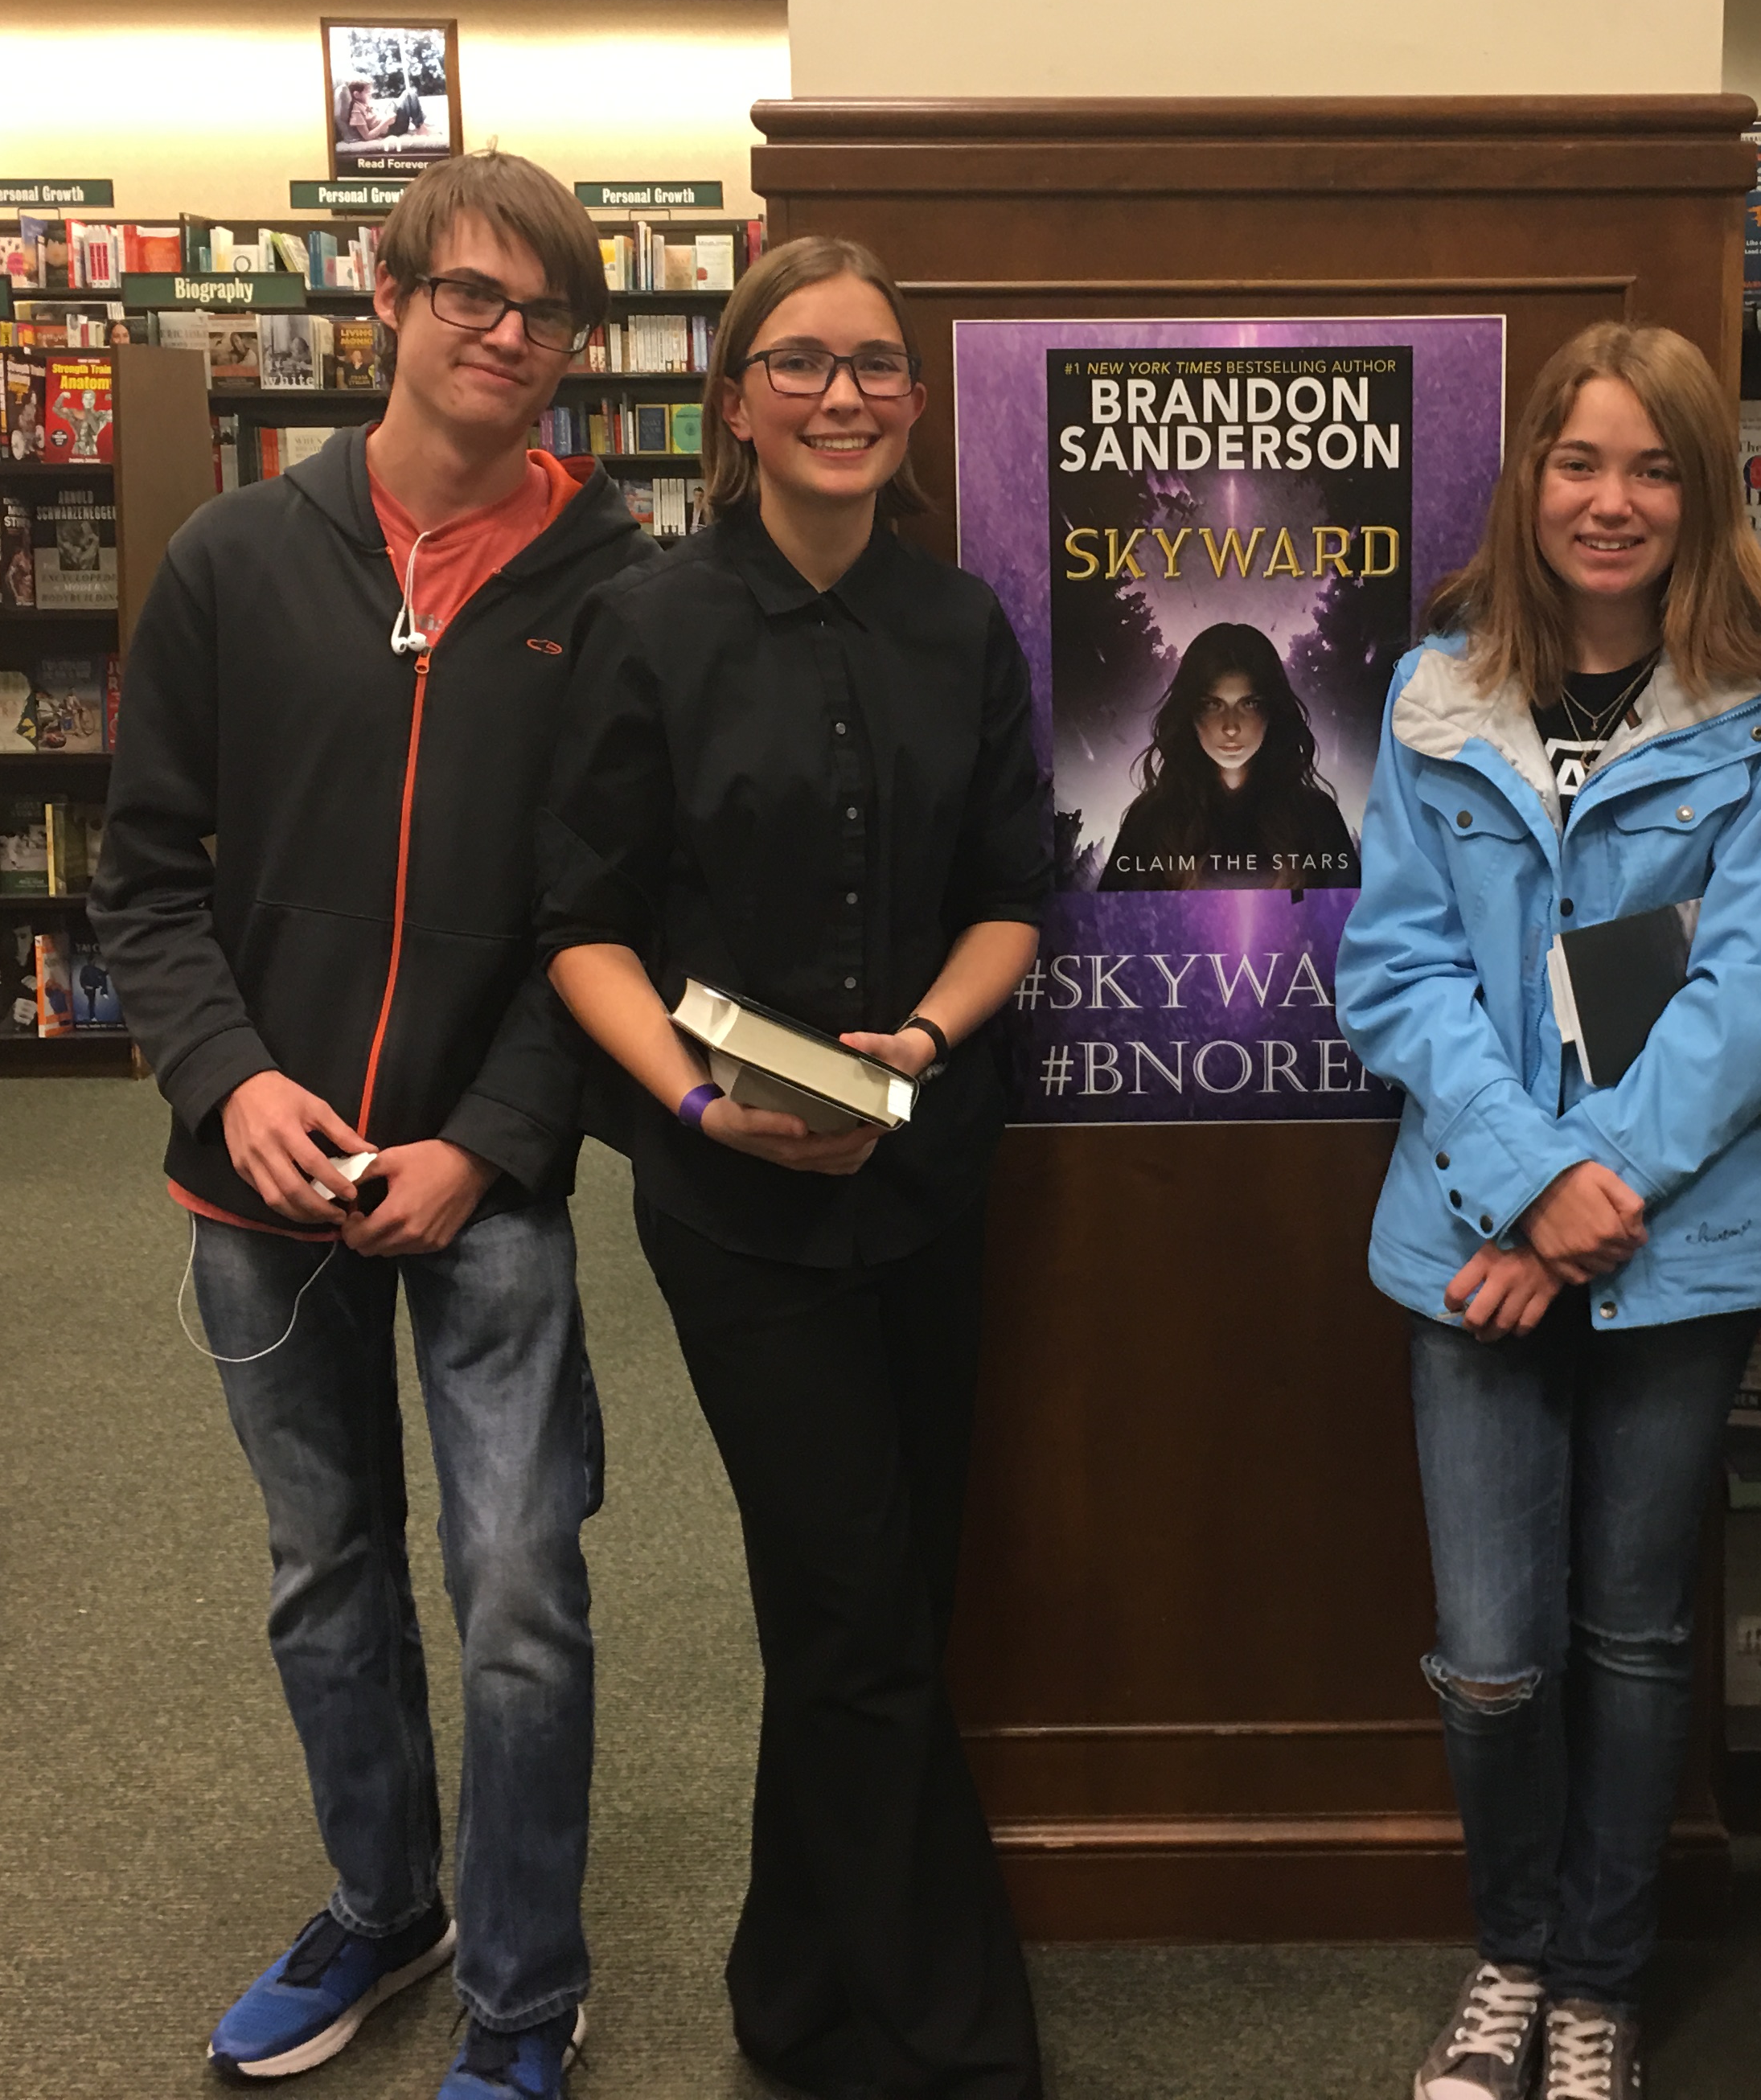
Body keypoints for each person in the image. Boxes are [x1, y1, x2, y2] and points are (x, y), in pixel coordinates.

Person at [92, 150, 653, 2100]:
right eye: (471, 296)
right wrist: (229, 1079)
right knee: (322, 1567)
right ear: (389, 300)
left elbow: (609, 922)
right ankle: (384, 1900)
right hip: (259, 1174)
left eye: (546, 313)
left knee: (519, 1583)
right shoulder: (235, 561)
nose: (507, 337)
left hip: (481, 1176)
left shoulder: (621, 583)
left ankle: (521, 1984)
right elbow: (146, 881)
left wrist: (487, 1141)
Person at [540, 235, 1053, 2100]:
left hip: (929, 1174)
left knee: (884, 1604)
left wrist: (920, 1042)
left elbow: (1014, 897)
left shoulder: (963, 625)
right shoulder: (650, 622)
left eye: (880, 369)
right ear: (737, 398)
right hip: (734, 1202)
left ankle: (792, 1980)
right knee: (845, 1600)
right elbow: (577, 923)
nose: (848, 395)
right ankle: (948, 2037)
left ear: (912, 408)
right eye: (807, 363)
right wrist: (690, 1101)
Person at [1339, 322, 1761, 2100]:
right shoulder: (1436, 694)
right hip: (1473, 1237)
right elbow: (1395, 971)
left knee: (1636, 1636)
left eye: (1653, 470)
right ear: (1529, 479)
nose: (1612, 502)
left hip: (1680, 1245)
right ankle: (1512, 1954)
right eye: (1580, 463)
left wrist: (1604, 1185)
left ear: (1703, 494)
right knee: (1491, 1655)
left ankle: (1602, 1984)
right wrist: (1535, 1182)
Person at [1098, 618, 1357, 889]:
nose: (1231, 726)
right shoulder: (1151, 820)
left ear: (1272, 711)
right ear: (1190, 713)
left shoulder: (1316, 817)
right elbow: (1104, 924)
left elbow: (1352, 922)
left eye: (1249, 703)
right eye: (1212, 704)